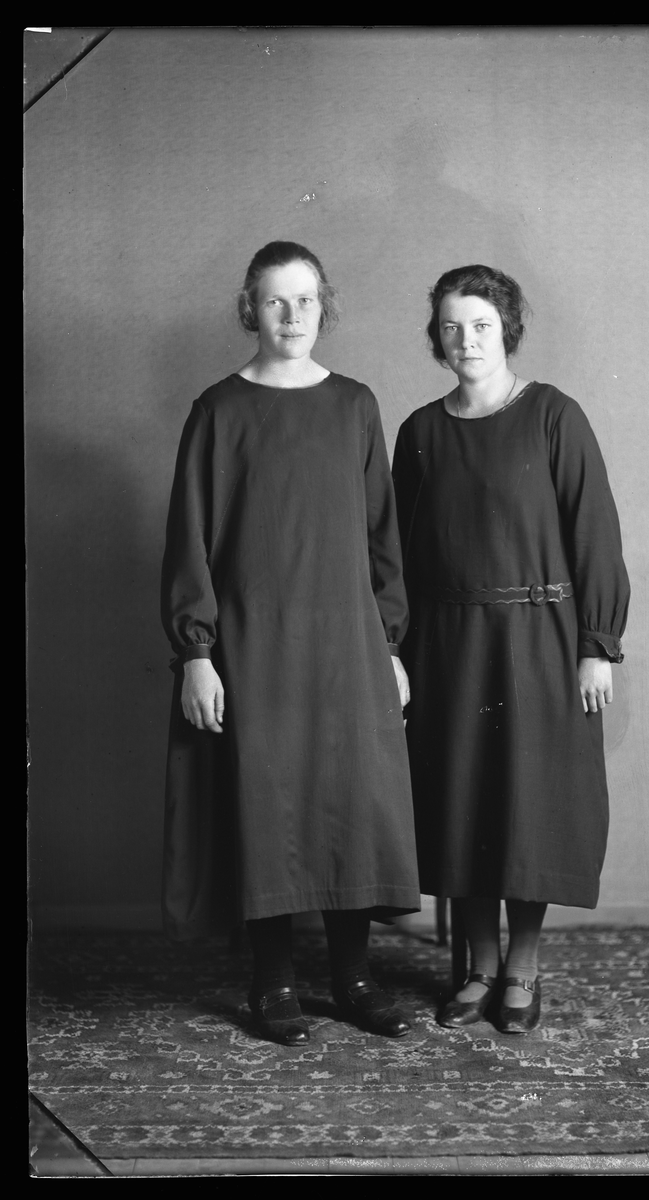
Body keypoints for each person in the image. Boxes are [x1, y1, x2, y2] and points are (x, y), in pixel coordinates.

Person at [161, 241, 420, 1046]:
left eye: (305, 299)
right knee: (266, 805)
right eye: (275, 300)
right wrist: (196, 654)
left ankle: (352, 980)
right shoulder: (219, 411)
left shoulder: (353, 405)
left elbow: (382, 536)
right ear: (251, 308)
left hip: (347, 646)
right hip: (254, 646)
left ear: (324, 306)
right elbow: (189, 539)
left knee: (352, 806)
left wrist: (389, 645)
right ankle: (271, 981)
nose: (291, 315)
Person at [393, 265, 630, 1034]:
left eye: (481, 326)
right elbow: (394, 556)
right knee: (462, 802)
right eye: (451, 327)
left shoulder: (554, 416)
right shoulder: (420, 433)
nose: (466, 340)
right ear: (436, 338)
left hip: (539, 643)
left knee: (528, 808)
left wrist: (597, 645)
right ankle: (478, 968)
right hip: (447, 647)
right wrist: (394, 651)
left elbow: (594, 534)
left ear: (507, 330)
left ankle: (522, 970)